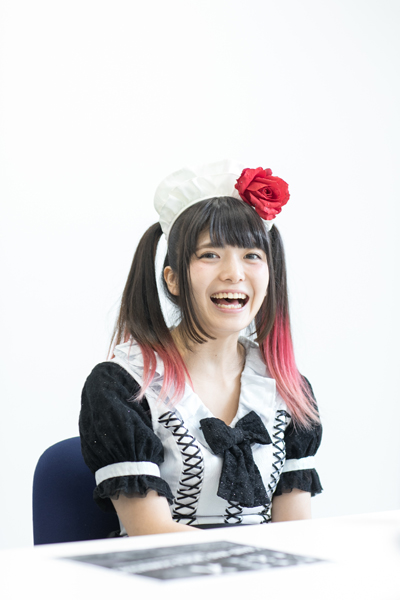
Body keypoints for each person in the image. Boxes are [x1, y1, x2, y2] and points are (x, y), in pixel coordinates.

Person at [79, 159, 322, 537]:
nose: (234, 273)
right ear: (173, 279)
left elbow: (296, 533)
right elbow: (153, 533)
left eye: (252, 255)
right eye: (210, 254)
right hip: (163, 571)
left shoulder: (287, 388)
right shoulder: (124, 384)